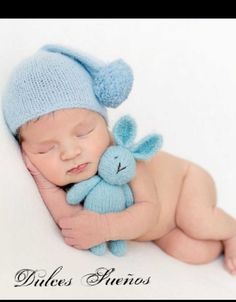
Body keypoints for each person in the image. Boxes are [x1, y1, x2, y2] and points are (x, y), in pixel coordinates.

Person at [2, 44, 236, 275]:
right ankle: (220, 240)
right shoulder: (62, 177)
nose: (70, 153)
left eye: (83, 133)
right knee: (194, 253)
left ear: (105, 125)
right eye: (46, 149)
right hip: (161, 229)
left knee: (196, 220)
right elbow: (73, 223)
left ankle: (232, 231)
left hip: (186, 183)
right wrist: (44, 184)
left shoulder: (120, 157)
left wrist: (106, 228)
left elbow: (149, 210)